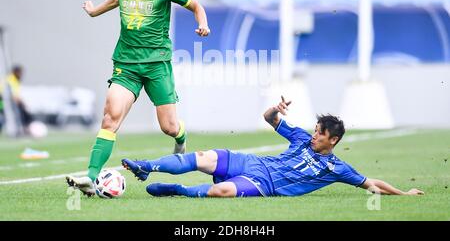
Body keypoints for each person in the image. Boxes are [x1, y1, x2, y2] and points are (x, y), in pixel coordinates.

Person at [66, 0, 210, 196]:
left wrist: (203, 24)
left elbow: (195, 5)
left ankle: (181, 136)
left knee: (169, 127)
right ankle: (90, 177)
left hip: (157, 64)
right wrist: (95, 11)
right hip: (126, 63)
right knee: (110, 117)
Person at [122, 96, 424, 198]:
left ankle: (180, 191)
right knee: (204, 156)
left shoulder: (336, 168)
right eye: (315, 130)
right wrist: (275, 108)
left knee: (220, 192)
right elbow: (269, 118)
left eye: (320, 134)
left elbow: (371, 184)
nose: (314, 136)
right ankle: (146, 167)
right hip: (255, 163)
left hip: (263, 183)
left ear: (333, 140)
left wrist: (403, 194)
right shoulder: (301, 138)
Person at [0, 65, 34, 133]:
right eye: (20, 72)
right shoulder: (12, 80)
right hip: (3, 103)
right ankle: (23, 130)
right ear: (15, 72)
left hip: (6, 102)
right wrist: (23, 105)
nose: (21, 74)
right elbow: (14, 96)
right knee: (22, 114)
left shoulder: (13, 80)